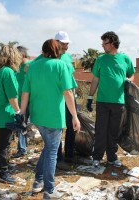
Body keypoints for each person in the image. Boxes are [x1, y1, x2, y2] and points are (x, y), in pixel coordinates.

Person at [20, 39, 80, 199]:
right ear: (57, 51)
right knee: (52, 152)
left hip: (38, 116)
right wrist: (74, 116)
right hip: (54, 117)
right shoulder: (61, 66)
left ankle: (38, 182)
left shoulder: (32, 67)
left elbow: (25, 92)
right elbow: (68, 93)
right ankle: (49, 190)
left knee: (48, 148)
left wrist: (21, 113)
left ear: (44, 51)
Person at [86, 31, 136, 168]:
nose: (102, 45)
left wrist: (128, 80)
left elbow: (132, 75)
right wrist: (90, 97)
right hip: (102, 101)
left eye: (105, 43)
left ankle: (112, 158)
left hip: (119, 102)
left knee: (114, 131)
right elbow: (95, 79)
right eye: (102, 43)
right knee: (101, 130)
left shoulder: (125, 59)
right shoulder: (100, 60)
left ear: (113, 43)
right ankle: (97, 157)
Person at [0, 44, 23, 184]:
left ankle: (4, 165)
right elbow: (12, 96)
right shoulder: (8, 72)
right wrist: (18, 111)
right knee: (4, 143)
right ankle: (3, 172)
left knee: (5, 141)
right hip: (6, 113)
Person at [54, 31, 78, 170]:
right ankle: (58, 158)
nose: (66, 46)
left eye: (67, 43)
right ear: (56, 43)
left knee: (72, 126)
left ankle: (69, 154)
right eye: (64, 44)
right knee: (58, 127)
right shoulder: (51, 58)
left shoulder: (67, 57)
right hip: (58, 98)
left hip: (70, 96)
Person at [10, 46, 30, 159]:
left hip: (31, 100)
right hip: (19, 101)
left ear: (22, 56)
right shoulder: (17, 68)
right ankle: (22, 149)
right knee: (21, 125)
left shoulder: (31, 65)